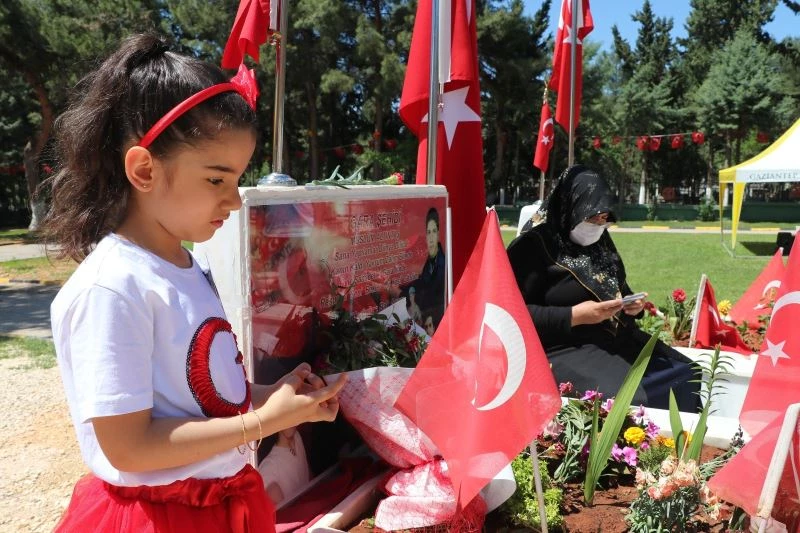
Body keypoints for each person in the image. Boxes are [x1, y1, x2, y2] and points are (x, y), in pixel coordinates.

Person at [42, 34, 347, 533]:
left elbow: (190, 392)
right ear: (144, 169)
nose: (235, 201)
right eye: (216, 180)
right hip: (160, 517)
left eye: (238, 180)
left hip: (220, 503)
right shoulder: (113, 288)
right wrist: (261, 424)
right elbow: (130, 445)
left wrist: (270, 396)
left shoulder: (186, 265)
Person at [507, 165, 698, 411]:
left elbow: (618, 287)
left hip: (613, 338)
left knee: (686, 374)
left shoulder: (599, 241)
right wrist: (574, 316)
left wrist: (632, 305)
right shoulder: (532, 247)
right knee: (630, 401)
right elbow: (512, 314)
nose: (599, 223)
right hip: (559, 346)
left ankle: (674, 448)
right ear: (570, 207)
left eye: (604, 216)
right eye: (591, 216)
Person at [409, 207, 446, 333]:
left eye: (434, 231)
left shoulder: (442, 264)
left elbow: (433, 296)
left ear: (439, 234)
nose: (430, 238)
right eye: (428, 232)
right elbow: (418, 284)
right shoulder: (428, 263)